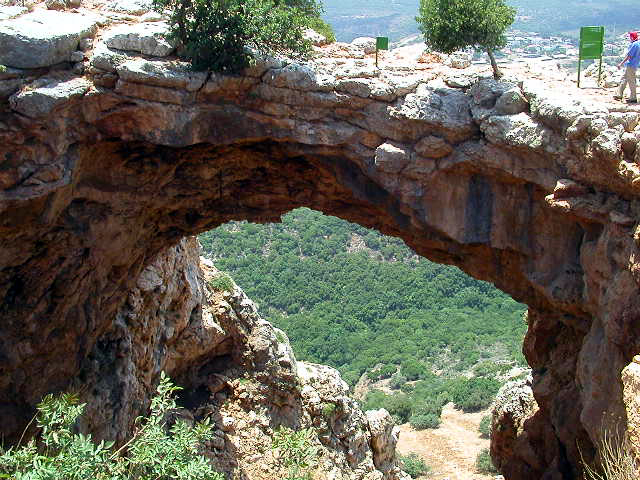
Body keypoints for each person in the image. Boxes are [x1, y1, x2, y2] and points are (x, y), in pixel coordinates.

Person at [614, 31, 640, 103]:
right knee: (624, 79)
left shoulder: (634, 45)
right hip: (634, 64)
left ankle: (633, 97)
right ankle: (619, 94)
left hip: (630, 65)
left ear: (632, 37)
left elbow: (629, 56)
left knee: (631, 81)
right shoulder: (638, 43)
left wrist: (621, 64)